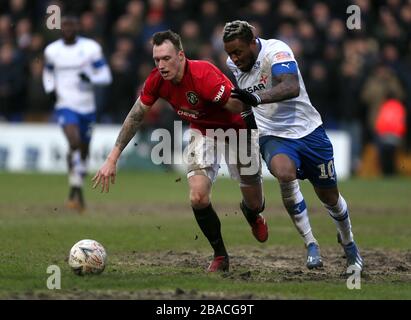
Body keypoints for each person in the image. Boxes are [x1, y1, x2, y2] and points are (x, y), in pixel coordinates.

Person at [92, 30, 268, 272]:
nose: (161, 65)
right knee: (197, 197)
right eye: (157, 60)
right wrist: (112, 158)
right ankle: (220, 256)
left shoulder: (203, 74)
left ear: (181, 56)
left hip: (237, 130)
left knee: (255, 202)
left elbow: (237, 106)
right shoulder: (156, 80)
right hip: (203, 132)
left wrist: (252, 108)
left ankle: (252, 213)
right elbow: (135, 116)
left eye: (166, 58)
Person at [223, 20, 363, 271]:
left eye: (238, 52)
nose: (233, 58)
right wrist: (247, 119)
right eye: (229, 53)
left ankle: (349, 242)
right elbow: (243, 100)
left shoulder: (277, 51)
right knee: (284, 173)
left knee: (330, 197)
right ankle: (311, 244)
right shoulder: (233, 64)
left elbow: (291, 86)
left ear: (252, 43)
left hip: (309, 131)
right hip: (273, 134)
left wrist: (256, 98)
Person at [42, 15, 112, 212]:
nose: (68, 29)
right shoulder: (52, 51)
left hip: (87, 108)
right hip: (65, 105)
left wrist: (90, 77)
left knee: (83, 149)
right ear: (60, 28)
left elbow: (106, 75)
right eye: (65, 25)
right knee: (73, 142)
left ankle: (75, 188)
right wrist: (50, 90)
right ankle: (75, 190)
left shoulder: (91, 49)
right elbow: (47, 73)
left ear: (78, 27)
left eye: (71, 25)